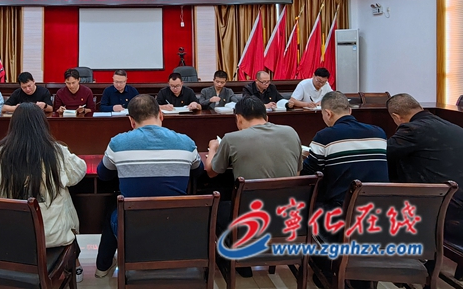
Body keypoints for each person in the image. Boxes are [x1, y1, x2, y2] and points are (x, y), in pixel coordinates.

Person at [95, 94, 204, 278]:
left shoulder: (117, 143)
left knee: (112, 207)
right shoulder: (186, 142)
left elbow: (103, 174)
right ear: (161, 114)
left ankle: (102, 268)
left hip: (133, 226)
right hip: (178, 223)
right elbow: (198, 171)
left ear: (131, 121)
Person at [205, 96, 302, 278]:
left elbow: (211, 171)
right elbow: (297, 173)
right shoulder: (291, 132)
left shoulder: (231, 138)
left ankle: (237, 259)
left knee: (216, 207)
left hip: (252, 216)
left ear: (238, 118)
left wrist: (213, 148)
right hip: (288, 213)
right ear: (266, 117)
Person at [0, 103, 86, 281]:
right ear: (42, 124)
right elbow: (79, 171)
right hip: (53, 235)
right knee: (63, 195)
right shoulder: (55, 151)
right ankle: (74, 264)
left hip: (14, 234)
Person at [386, 93, 463, 245]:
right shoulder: (454, 127)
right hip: (458, 198)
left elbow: (383, 153)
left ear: (396, 117)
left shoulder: (412, 129)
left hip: (443, 206)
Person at [301, 91, 388, 210]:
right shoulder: (379, 133)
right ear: (350, 111)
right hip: (381, 206)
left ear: (328, 113)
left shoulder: (325, 136)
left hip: (342, 209)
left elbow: (308, 175)